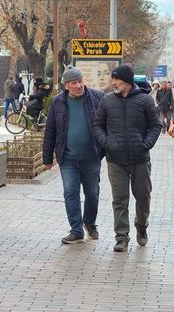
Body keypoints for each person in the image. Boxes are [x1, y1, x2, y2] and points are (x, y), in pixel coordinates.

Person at [93, 64, 162, 252]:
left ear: (128, 82)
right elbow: (97, 125)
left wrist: (145, 144)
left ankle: (142, 226)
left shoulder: (145, 101)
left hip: (140, 158)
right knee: (119, 200)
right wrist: (107, 143)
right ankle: (121, 238)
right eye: (113, 78)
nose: (114, 82)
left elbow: (156, 126)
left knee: (143, 197)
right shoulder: (107, 101)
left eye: (117, 79)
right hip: (116, 160)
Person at [43, 66, 105, 244]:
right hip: (68, 158)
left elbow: (106, 125)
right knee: (70, 192)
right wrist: (47, 158)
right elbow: (50, 131)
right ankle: (76, 230)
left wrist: (106, 149)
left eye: (80, 81)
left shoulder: (97, 97)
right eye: (74, 83)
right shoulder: (57, 102)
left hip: (91, 157)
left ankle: (90, 223)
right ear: (66, 85)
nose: (79, 85)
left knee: (92, 193)